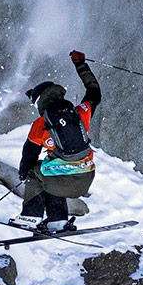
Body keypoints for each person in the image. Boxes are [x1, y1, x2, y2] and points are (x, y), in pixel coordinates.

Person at [17, 50, 101, 234]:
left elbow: (28, 156)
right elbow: (95, 92)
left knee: (37, 172)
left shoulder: (41, 124)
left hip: (61, 181)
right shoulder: (80, 113)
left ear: (39, 101)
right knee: (50, 172)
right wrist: (80, 64)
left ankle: (30, 217)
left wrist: (23, 175)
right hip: (86, 178)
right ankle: (58, 222)